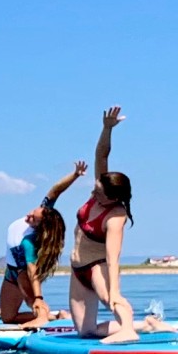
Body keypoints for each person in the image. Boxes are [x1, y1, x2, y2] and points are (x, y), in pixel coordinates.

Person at [67, 106, 137, 341]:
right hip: (78, 269)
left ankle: (128, 330)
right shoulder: (100, 190)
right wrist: (107, 129)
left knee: (111, 299)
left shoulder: (115, 217)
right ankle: (147, 325)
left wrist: (114, 290)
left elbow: (113, 258)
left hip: (98, 267)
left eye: (98, 192)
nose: (93, 192)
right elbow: (101, 156)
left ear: (114, 197)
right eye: (95, 188)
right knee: (85, 332)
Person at [0, 161, 87, 325]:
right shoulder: (44, 211)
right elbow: (56, 190)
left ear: (40, 227)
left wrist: (38, 297)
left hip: (22, 273)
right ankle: (56, 316)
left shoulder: (29, 241)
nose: (28, 216)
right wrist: (75, 175)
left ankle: (42, 318)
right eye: (33, 212)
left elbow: (33, 271)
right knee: (7, 318)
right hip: (9, 272)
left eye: (33, 219)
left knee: (34, 303)